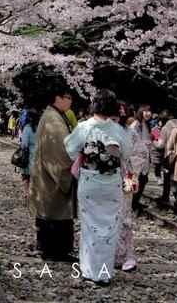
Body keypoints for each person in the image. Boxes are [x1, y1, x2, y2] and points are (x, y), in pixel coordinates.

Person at [65, 89, 131, 285]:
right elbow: (126, 153)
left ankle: (89, 271)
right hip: (111, 183)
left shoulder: (84, 127)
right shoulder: (118, 130)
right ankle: (104, 273)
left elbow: (70, 149)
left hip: (90, 180)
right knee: (109, 228)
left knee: (89, 226)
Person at [29, 88, 76, 262]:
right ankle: (56, 251)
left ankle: (50, 249)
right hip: (51, 177)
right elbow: (60, 152)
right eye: (68, 97)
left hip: (46, 175)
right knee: (56, 214)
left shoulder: (52, 116)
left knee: (49, 213)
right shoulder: (53, 120)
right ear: (58, 98)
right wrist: (69, 173)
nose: (70, 101)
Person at [116, 106, 149, 272]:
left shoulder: (131, 132)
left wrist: (131, 172)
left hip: (125, 178)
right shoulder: (103, 129)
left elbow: (141, 153)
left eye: (122, 112)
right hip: (105, 180)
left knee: (124, 218)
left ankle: (126, 255)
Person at [131, 104, 153, 211]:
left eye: (149, 111)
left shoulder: (147, 125)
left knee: (143, 179)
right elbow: (132, 140)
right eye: (146, 111)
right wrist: (144, 144)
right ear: (141, 112)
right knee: (135, 180)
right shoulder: (136, 124)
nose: (148, 113)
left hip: (145, 158)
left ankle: (135, 202)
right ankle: (131, 203)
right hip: (136, 158)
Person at [156, 109, 177, 207]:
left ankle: (165, 197)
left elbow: (160, 145)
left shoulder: (165, 128)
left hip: (169, 156)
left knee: (167, 177)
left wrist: (153, 142)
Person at [19, 108, 39, 198]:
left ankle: (27, 193)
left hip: (29, 154)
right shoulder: (40, 127)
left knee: (25, 175)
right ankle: (34, 192)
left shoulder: (27, 128)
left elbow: (24, 144)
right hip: (39, 153)